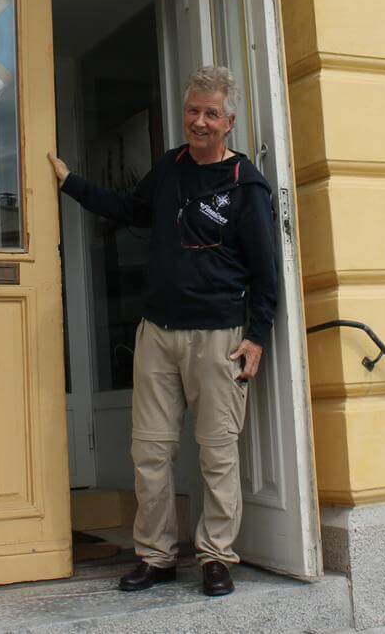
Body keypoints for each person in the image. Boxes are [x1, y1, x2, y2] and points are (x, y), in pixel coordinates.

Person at [48, 65, 278, 598]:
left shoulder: (247, 186)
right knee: (150, 451)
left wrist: (257, 336)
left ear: (230, 122)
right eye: (193, 110)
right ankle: (155, 558)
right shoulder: (170, 168)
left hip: (219, 337)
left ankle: (217, 558)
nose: (199, 121)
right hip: (157, 333)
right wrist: (71, 182)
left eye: (211, 114)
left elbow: (266, 273)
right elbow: (129, 209)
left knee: (217, 451)